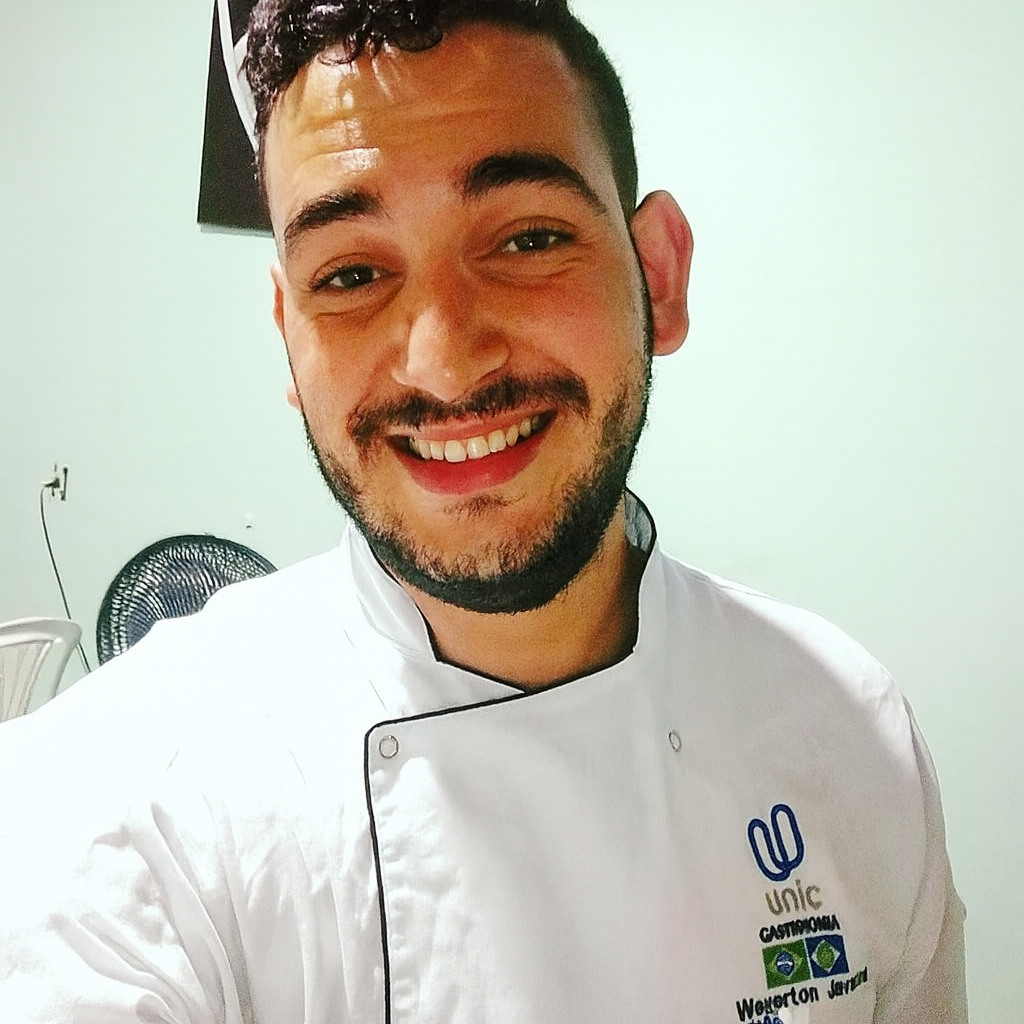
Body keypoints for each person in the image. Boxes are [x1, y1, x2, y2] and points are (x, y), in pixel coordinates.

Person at [0, 0, 967, 1020]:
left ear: (659, 274)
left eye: (528, 237)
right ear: (289, 333)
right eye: (352, 274)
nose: (447, 364)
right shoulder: (107, 800)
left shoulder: (848, 733)